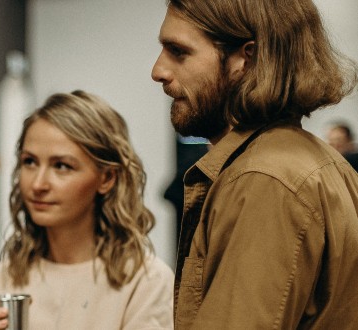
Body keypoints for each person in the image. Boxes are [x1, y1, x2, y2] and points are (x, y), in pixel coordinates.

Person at [151, 0, 358, 328]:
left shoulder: (264, 181)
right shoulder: (320, 163)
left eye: (178, 51)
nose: (158, 71)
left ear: (246, 58)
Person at [0, 90, 174, 330]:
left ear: (106, 178)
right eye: (30, 162)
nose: (38, 184)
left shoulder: (146, 282)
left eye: (62, 166)